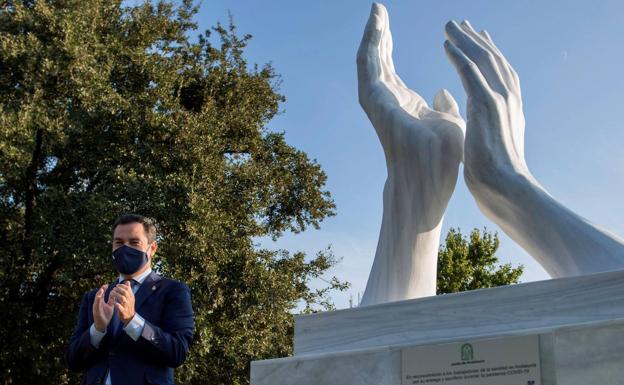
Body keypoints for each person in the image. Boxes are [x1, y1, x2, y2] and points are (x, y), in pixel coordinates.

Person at [65, 214, 194, 385]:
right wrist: (97, 329)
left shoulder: (173, 291)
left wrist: (133, 321)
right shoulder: (96, 297)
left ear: (152, 248)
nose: (125, 249)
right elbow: (72, 361)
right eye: (119, 243)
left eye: (134, 243)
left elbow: (177, 352)